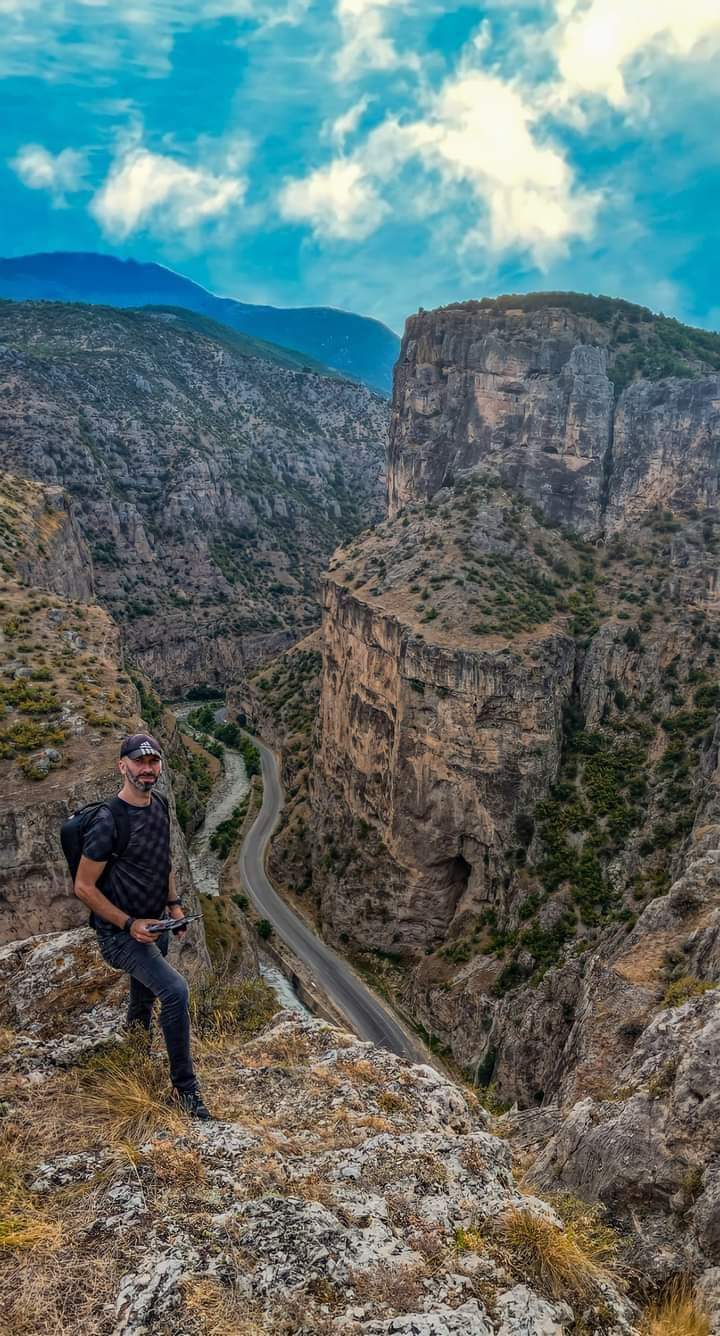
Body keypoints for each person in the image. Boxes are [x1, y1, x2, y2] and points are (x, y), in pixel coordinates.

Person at [73, 732, 212, 1120]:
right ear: (123, 766)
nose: (146, 769)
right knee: (175, 991)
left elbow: (161, 861)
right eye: (139, 762)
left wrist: (175, 906)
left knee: (143, 999)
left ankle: (133, 1061)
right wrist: (129, 923)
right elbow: (83, 887)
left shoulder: (161, 805)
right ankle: (185, 1090)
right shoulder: (108, 820)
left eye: (153, 763)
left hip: (156, 924)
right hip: (120, 934)